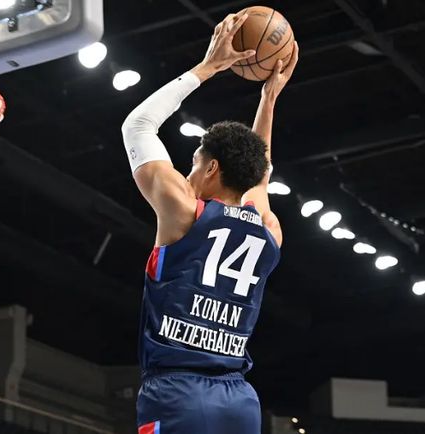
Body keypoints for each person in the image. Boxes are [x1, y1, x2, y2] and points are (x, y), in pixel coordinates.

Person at [122, 11, 299, 434]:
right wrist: (269, 99)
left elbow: (138, 124)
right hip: (239, 399)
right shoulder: (268, 228)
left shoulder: (185, 211)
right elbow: (260, 177)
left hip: (179, 393)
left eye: (194, 163)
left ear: (212, 168)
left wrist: (208, 67)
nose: (188, 173)